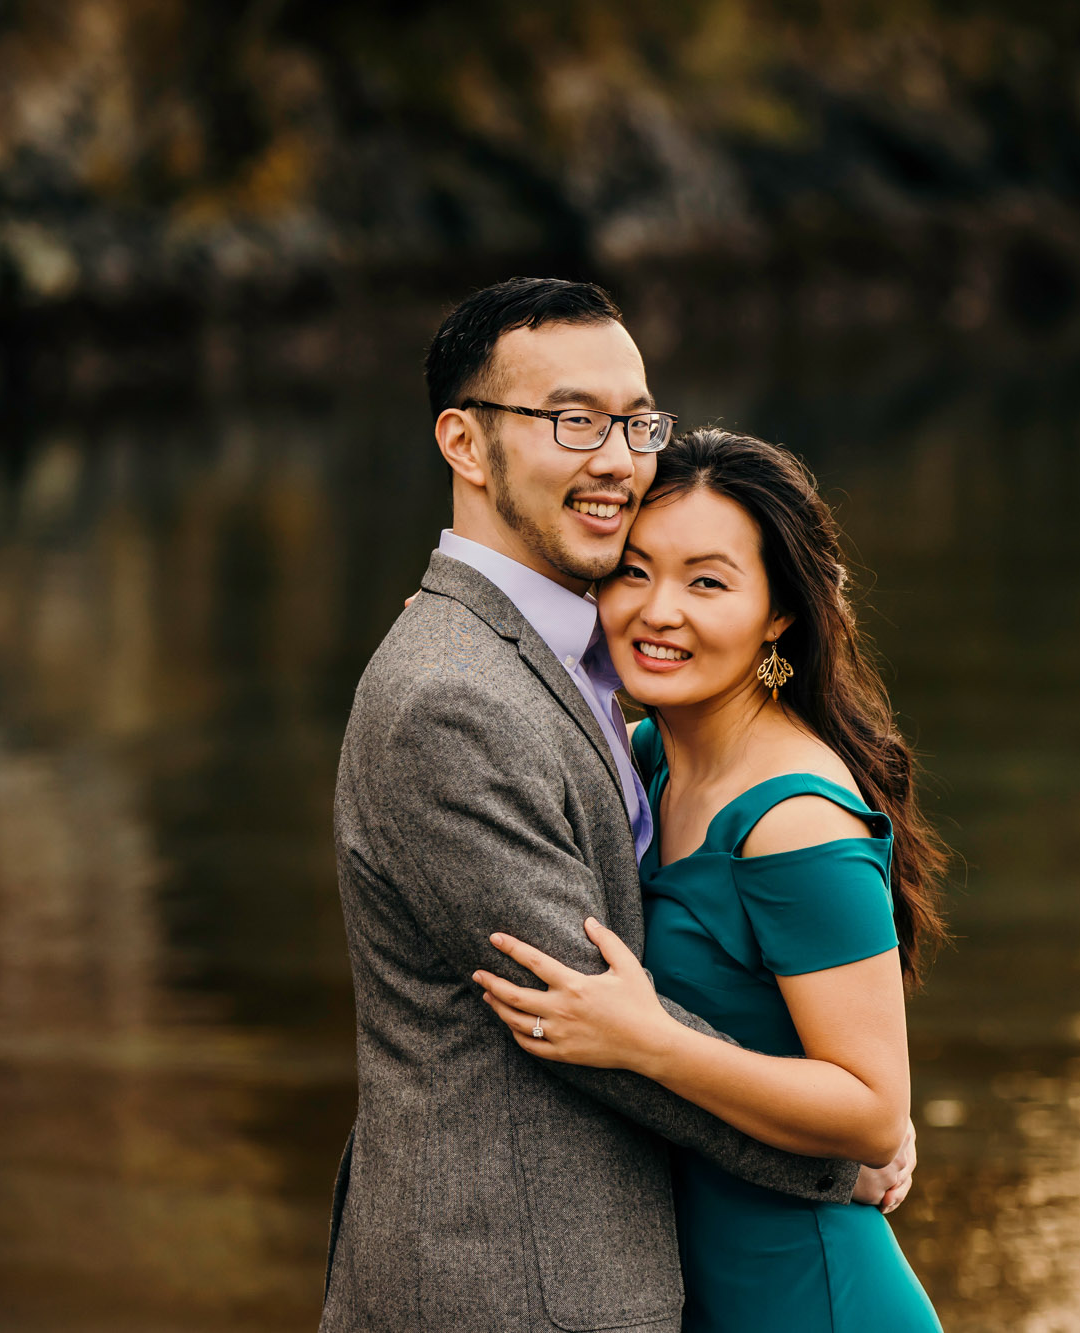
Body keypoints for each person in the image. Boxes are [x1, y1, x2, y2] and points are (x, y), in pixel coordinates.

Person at [323, 278, 915, 1333]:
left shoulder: (603, 690)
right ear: (463, 443)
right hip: (510, 1281)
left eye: (633, 420)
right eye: (571, 419)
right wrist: (843, 1149)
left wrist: (862, 1117)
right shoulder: (463, 690)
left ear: (779, 612)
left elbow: (808, 1055)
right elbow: (589, 1014)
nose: (615, 455)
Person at [471, 427, 950, 1332]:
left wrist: (651, 1043)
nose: (658, 611)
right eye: (635, 570)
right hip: (682, 1289)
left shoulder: (796, 821)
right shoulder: (647, 756)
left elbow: (876, 1112)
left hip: (809, 1299)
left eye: (708, 581)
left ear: (780, 614)